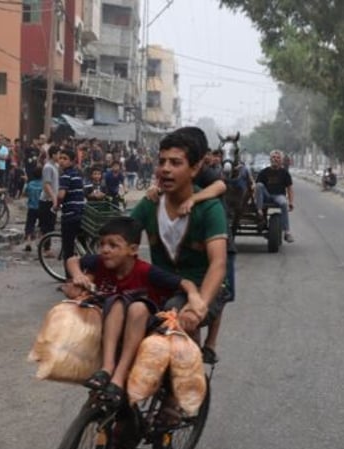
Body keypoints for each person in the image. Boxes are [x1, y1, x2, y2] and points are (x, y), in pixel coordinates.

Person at [65, 217, 205, 406]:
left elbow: (185, 283)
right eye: (102, 244)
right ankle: (107, 369)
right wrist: (78, 275)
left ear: (133, 250)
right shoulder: (100, 263)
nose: (105, 250)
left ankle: (118, 378)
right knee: (116, 303)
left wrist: (194, 297)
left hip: (142, 332)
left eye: (113, 245)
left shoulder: (146, 271)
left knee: (136, 306)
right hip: (112, 334)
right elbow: (73, 260)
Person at [130, 131, 227, 338]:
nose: (165, 169)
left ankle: (196, 363)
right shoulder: (150, 204)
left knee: (175, 316)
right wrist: (84, 272)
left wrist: (199, 305)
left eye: (175, 163)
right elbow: (120, 237)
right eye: (162, 162)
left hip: (201, 290)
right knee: (121, 310)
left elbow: (218, 263)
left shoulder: (210, 208)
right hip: (160, 288)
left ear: (194, 168)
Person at [254, 149, 295, 243]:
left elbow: (290, 189)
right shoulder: (264, 172)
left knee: (284, 203)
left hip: (278, 196)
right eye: (273, 157)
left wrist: (291, 202)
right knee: (259, 185)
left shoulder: (285, 173)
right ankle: (259, 212)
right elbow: (256, 188)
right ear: (270, 159)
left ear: (281, 160)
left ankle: (287, 232)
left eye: (278, 158)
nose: (275, 159)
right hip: (266, 195)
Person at [57, 148, 86, 272]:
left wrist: (56, 205)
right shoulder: (77, 174)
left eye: (65, 159)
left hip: (70, 215)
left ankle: (69, 279)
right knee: (82, 246)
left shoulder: (65, 175)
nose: (62, 161)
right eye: (61, 158)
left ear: (72, 161)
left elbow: (61, 195)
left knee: (68, 249)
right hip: (81, 213)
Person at [39, 145, 60, 251]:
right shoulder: (48, 167)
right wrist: (54, 198)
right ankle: (46, 249)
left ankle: (46, 247)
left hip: (52, 199)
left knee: (51, 225)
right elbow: (46, 185)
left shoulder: (55, 166)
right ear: (53, 154)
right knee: (47, 226)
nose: (60, 156)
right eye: (59, 154)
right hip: (47, 200)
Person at [22, 165, 44, 252]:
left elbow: (24, 193)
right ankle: (41, 243)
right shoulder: (44, 185)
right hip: (42, 207)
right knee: (42, 226)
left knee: (29, 225)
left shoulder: (30, 184)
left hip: (31, 207)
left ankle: (28, 243)